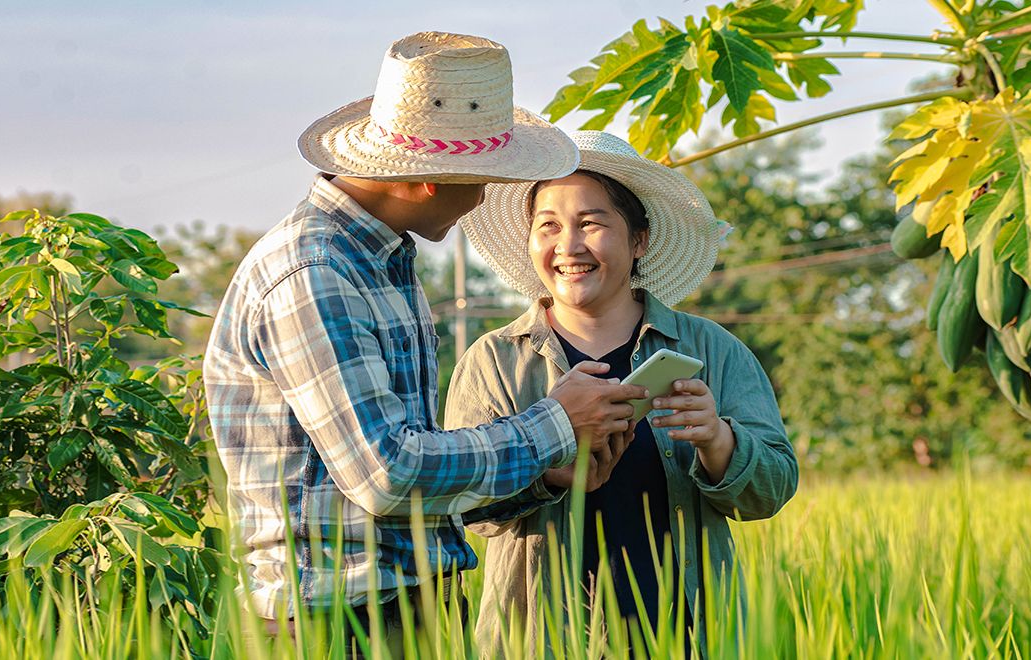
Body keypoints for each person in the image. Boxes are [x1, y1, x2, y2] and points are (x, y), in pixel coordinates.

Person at [202, 33, 647, 653]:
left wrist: (543, 475)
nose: (485, 198)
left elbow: (414, 472)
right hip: (336, 622)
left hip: (405, 606)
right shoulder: (315, 274)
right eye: (485, 180)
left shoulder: (381, 259)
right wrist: (556, 421)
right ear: (426, 182)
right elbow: (386, 472)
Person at [445, 131, 798, 657]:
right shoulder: (494, 362)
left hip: (692, 635)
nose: (568, 246)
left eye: (591, 222)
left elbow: (773, 489)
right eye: (548, 226)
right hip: (540, 639)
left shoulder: (712, 349)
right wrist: (547, 472)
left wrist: (719, 441)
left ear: (640, 240)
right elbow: (460, 504)